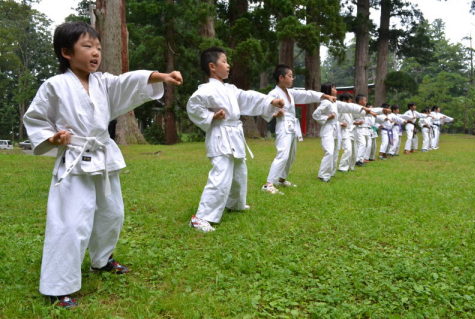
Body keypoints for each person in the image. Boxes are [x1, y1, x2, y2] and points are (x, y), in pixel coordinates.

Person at [23, 22, 183, 308]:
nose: (95, 53)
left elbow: (129, 82)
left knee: (112, 213)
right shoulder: (55, 86)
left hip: (103, 158)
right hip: (74, 160)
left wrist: (162, 76)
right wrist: (53, 136)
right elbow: (35, 119)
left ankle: (102, 259)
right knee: (71, 221)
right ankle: (58, 286)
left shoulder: (103, 82)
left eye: (98, 47)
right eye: (87, 46)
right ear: (66, 52)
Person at [187, 47, 284, 232]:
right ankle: (200, 217)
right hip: (220, 135)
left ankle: (235, 204)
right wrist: (211, 116)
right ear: (212, 67)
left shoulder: (229, 89)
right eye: (224, 61)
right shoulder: (206, 90)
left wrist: (270, 101)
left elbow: (248, 97)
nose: (228, 65)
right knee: (221, 175)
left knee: (240, 172)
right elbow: (193, 106)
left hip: (234, 134)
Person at [261, 64, 335, 194]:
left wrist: (325, 96)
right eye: (290, 76)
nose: (292, 78)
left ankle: (281, 179)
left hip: (292, 126)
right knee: (282, 154)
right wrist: (274, 114)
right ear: (281, 77)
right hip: (283, 126)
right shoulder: (274, 93)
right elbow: (265, 109)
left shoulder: (290, 92)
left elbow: (307, 94)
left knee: (291, 156)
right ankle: (268, 184)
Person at [312, 84, 371, 182]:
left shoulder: (334, 102)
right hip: (327, 130)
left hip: (336, 131)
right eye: (333, 88)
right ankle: (322, 175)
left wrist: (365, 110)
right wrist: (327, 117)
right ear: (328, 90)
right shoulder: (326, 102)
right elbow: (315, 115)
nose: (335, 90)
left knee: (335, 152)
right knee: (329, 152)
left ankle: (330, 173)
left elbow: (349, 106)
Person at [337, 93, 357, 172]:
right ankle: (342, 167)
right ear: (345, 100)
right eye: (350, 100)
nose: (351, 101)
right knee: (348, 149)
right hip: (344, 131)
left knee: (354, 150)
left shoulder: (349, 110)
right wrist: (341, 123)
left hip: (351, 131)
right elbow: (334, 120)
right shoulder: (339, 109)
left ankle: (351, 166)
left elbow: (351, 121)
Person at [352, 94, 370, 166]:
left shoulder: (364, 109)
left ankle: (360, 159)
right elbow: (350, 119)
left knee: (364, 144)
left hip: (364, 128)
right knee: (362, 144)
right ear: (360, 101)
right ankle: (358, 160)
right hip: (358, 128)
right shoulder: (354, 109)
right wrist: (356, 123)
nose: (366, 102)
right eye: (364, 100)